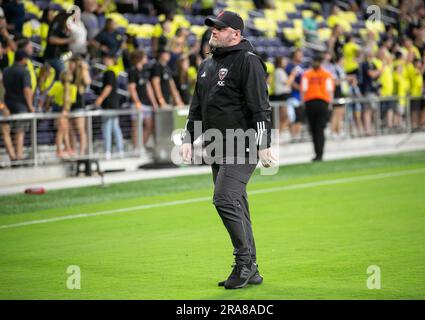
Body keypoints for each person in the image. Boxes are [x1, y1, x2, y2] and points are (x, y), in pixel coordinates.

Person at [180, 10, 277, 290]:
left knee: (224, 199)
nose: (213, 31)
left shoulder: (249, 62)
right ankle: (253, 268)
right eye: (212, 27)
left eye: (219, 29)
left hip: (242, 144)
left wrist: (264, 144)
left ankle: (243, 262)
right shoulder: (206, 64)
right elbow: (196, 106)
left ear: (236, 34)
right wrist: (188, 138)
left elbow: (260, 107)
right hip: (215, 145)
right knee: (238, 204)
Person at [2, 50, 35, 164]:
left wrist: (2, 106)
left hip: (6, 106)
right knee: (19, 132)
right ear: (23, 59)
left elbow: (2, 90)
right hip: (21, 106)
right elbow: (27, 90)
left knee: (5, 131)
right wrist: (30, 106)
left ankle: (12, 156)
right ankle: (19, 157)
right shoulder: (24, 72)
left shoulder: (5, 71)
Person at [301, 54, 334, 161]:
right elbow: (330, 91)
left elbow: (303, 90)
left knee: (315, 129)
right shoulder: (326, 74)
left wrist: (303, 104)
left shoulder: (307, 74)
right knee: (319, 129)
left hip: (311, 103)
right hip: (322, 103)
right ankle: (319, 153)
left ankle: (318, 153)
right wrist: (330, 104)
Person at [95, 53, 124, 160]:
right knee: (115, 128)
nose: (105, 60)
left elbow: (108, 87)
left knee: (107, 128)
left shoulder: (110, 72)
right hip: (113, 104)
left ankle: (107, 151)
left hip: (109, 105)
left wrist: (100, 99)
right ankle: (120, 151)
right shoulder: (113, 71)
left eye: (107, 58)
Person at [128, 50, 158, 149]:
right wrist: (137, 102)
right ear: (139, 58)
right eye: (144, 57)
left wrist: (153, 102)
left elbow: (148, 87)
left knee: (149, 125)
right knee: (136, 126)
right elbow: (132, 88)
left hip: (146, 103)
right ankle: (136, 148)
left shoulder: (144, 71)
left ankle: (141, 146)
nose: (146, 59)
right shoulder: (132, 71)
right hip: (138, 103)